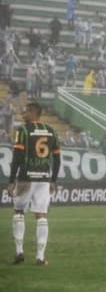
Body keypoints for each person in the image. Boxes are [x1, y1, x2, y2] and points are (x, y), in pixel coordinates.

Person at [7, 102, 61, 265]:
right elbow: (57, 159)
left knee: (18, 211)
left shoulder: (22, 131)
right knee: (41, 215)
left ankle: (19, 253)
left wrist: (11, 181)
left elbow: (17, 157)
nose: (23, 114)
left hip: (26, 177)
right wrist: (53, 180)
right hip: (44, 178)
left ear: (33, 113)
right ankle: (40, 257)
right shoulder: (52, 131)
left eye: (26, 111)